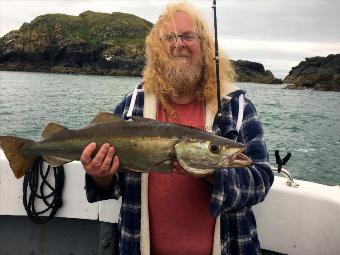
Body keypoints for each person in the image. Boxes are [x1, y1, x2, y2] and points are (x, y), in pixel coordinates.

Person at [81, 2, 273, 255]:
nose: (178, 44)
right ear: (157, 49)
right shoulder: (131, 106)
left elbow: (261, 180)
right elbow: (114, 185)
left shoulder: (236, 108)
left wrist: (209, 171)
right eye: (169, 37)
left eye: (187, 36)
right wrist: (101, 175)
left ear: (204, 46)